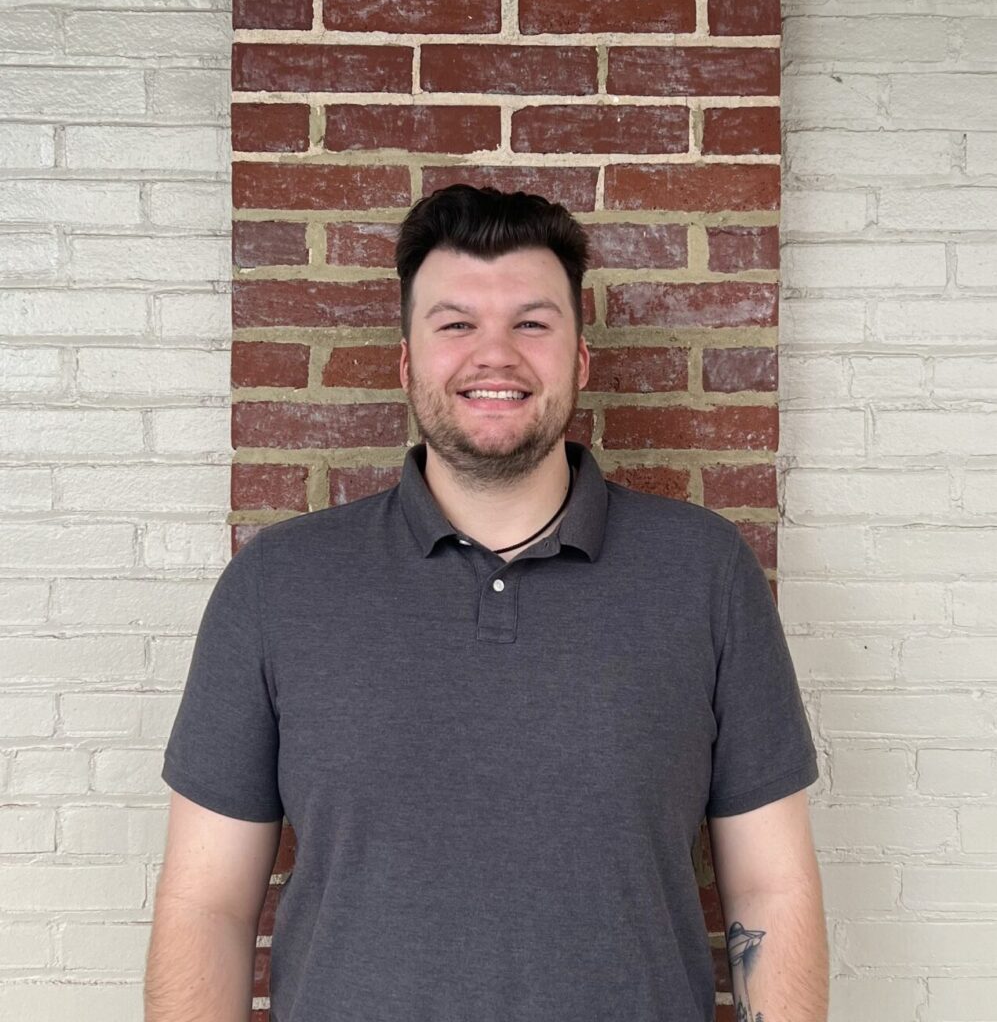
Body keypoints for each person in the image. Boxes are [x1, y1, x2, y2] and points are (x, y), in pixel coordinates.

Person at [145, 185, 829, 1022]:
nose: (494, 356)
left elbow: (770, 889)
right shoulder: (278, 584)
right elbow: (206, 907)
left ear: (580, 361)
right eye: (456, 324)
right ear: (407, 362)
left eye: (531, 324)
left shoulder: (704, 573)